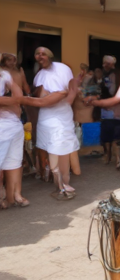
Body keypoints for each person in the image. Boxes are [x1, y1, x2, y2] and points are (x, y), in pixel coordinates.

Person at [22, 47, 80, 200]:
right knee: (51, 150)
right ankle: (60, 185)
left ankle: (64, 184)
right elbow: (39, 98)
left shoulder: (63, 68)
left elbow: (71, 89)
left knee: (61, 151)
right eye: (37, 53)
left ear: (50, 55)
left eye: (43, 53)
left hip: (62, 118)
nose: (40, 56)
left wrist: (67, 100)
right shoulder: (38, 76)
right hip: (45, 119)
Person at [0, 69, 29, 209]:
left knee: (14, 163)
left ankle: (14, 196)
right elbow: (18, 99)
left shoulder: (4, 76)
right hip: (2, 129)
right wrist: (12, 101)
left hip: (13, 126)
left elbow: (19, 97)